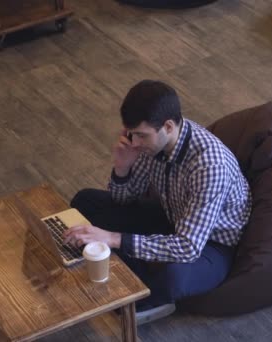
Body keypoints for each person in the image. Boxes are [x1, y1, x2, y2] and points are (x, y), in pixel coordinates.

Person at [63, 80, 252, 324]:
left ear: (169, 126)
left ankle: (141, 293)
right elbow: (125, 199)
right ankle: (116, 262)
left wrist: (112, 238)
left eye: (141, 136)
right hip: (172, 216)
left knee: (174, 276)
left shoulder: (209, 166)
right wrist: (122, 168)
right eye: (131, 134)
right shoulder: (151, 144)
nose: (134, 142)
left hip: (211, 244)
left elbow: (188, 246)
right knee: (86, 200)